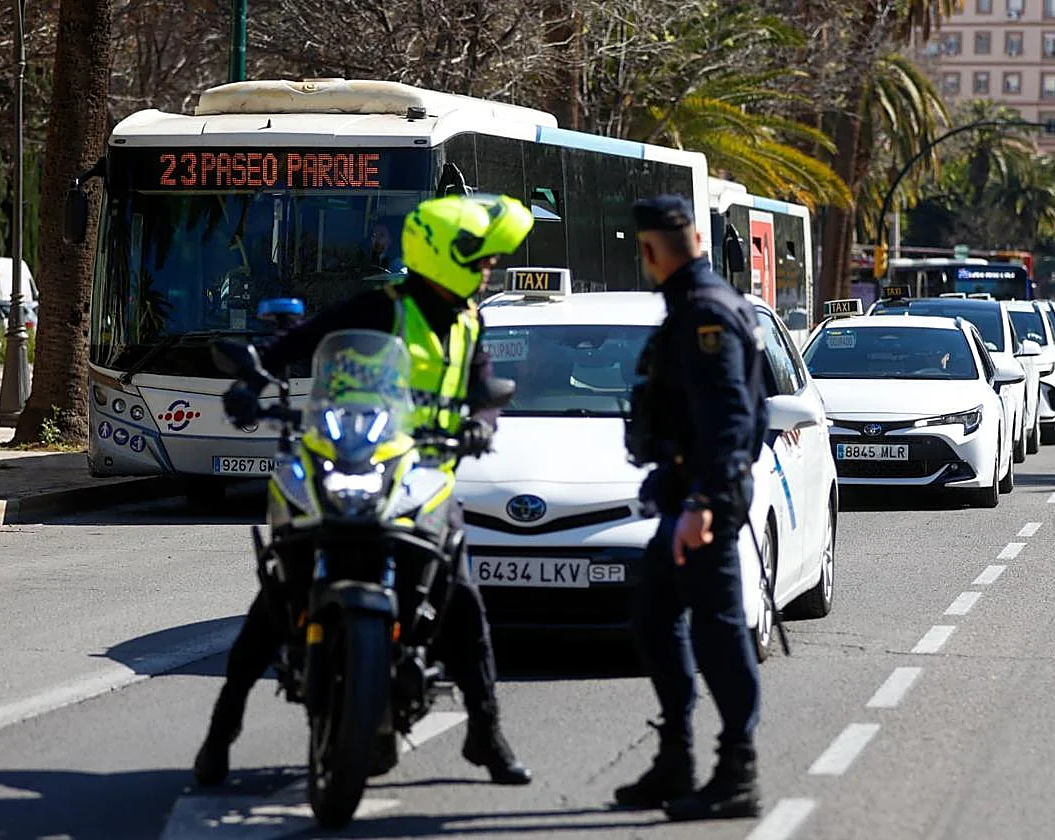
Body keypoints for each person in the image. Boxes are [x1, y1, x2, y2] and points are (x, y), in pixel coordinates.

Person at [193, 194, 535, 788]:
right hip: (350, 460)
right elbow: (300, 342)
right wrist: (251, 378)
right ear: (445, 256)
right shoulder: (383, 308)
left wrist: (482, 424)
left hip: (425, 479)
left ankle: (486, 732)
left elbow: (483, 391)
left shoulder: (472, 322)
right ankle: (222, 730)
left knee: (464, 602)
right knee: (281, 587)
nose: (488, 272)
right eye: (479, 261)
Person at [614, 195, 767, 822]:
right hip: (687, 491)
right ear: (698, 239)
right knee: (654, 616)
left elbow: (731, 415)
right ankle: (675, 755)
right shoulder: (695, 303)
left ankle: (738, 771)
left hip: (706, 495)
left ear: (650, 252)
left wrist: (704, 501)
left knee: (720, 630)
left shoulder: (703, 312)